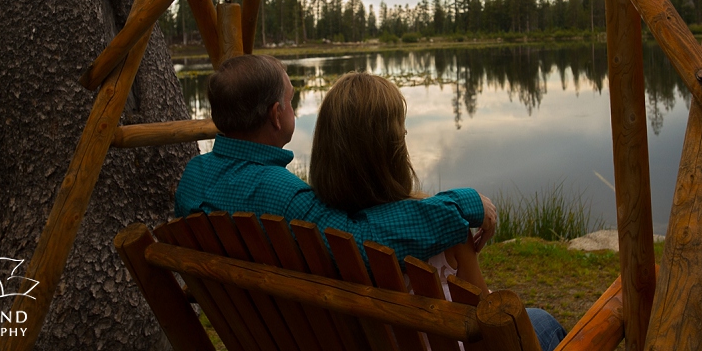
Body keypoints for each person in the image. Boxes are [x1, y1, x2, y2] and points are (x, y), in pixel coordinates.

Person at [308, 71, 566, 351]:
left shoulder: (315, 234)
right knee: (545, 323)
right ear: (392, 152)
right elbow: (492, 324)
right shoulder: (445, 230)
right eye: (402, 134)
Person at [174, 54, 498, 264]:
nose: (294, 109)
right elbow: (361, 244)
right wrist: (463, 203)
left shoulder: (193, 179)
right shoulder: (282, 196)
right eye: (290, 100)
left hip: (251, 336)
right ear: (276, 115)